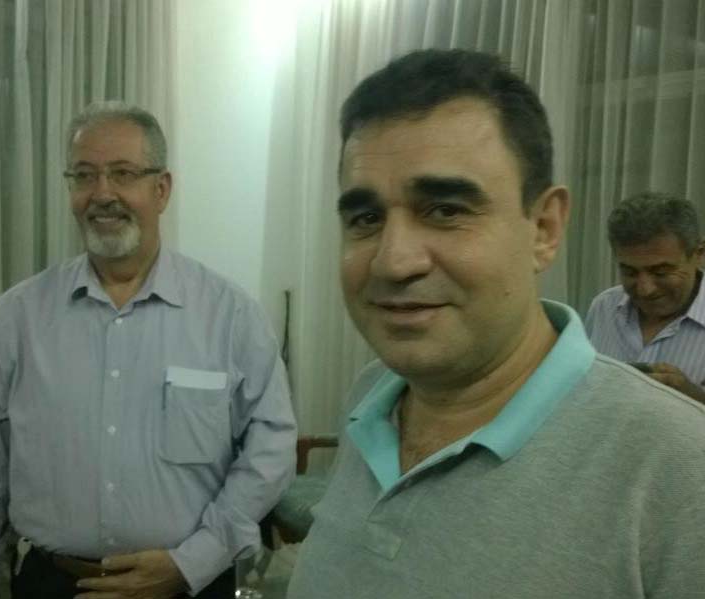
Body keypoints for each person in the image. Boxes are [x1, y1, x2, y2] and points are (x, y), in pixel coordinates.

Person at [286, 49, 705, 598]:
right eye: (365, 218)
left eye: (446, 210)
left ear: (544, 229)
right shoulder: (374, 397)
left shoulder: (680, 466)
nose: (393, 261)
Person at [0, 101, 297, 599]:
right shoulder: (15, 320)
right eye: (84, 176)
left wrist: (196, 560)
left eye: (123, 173)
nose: (102, 194)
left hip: (191, 585)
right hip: (53, 584)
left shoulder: (230, 316)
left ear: (161, 189)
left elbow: (270, 452)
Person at [585, 192, 705, 403]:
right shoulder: (603, 307)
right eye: (629, 272)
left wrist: (696, 400)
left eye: (661, 272)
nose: (644, 290)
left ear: (699, 254)